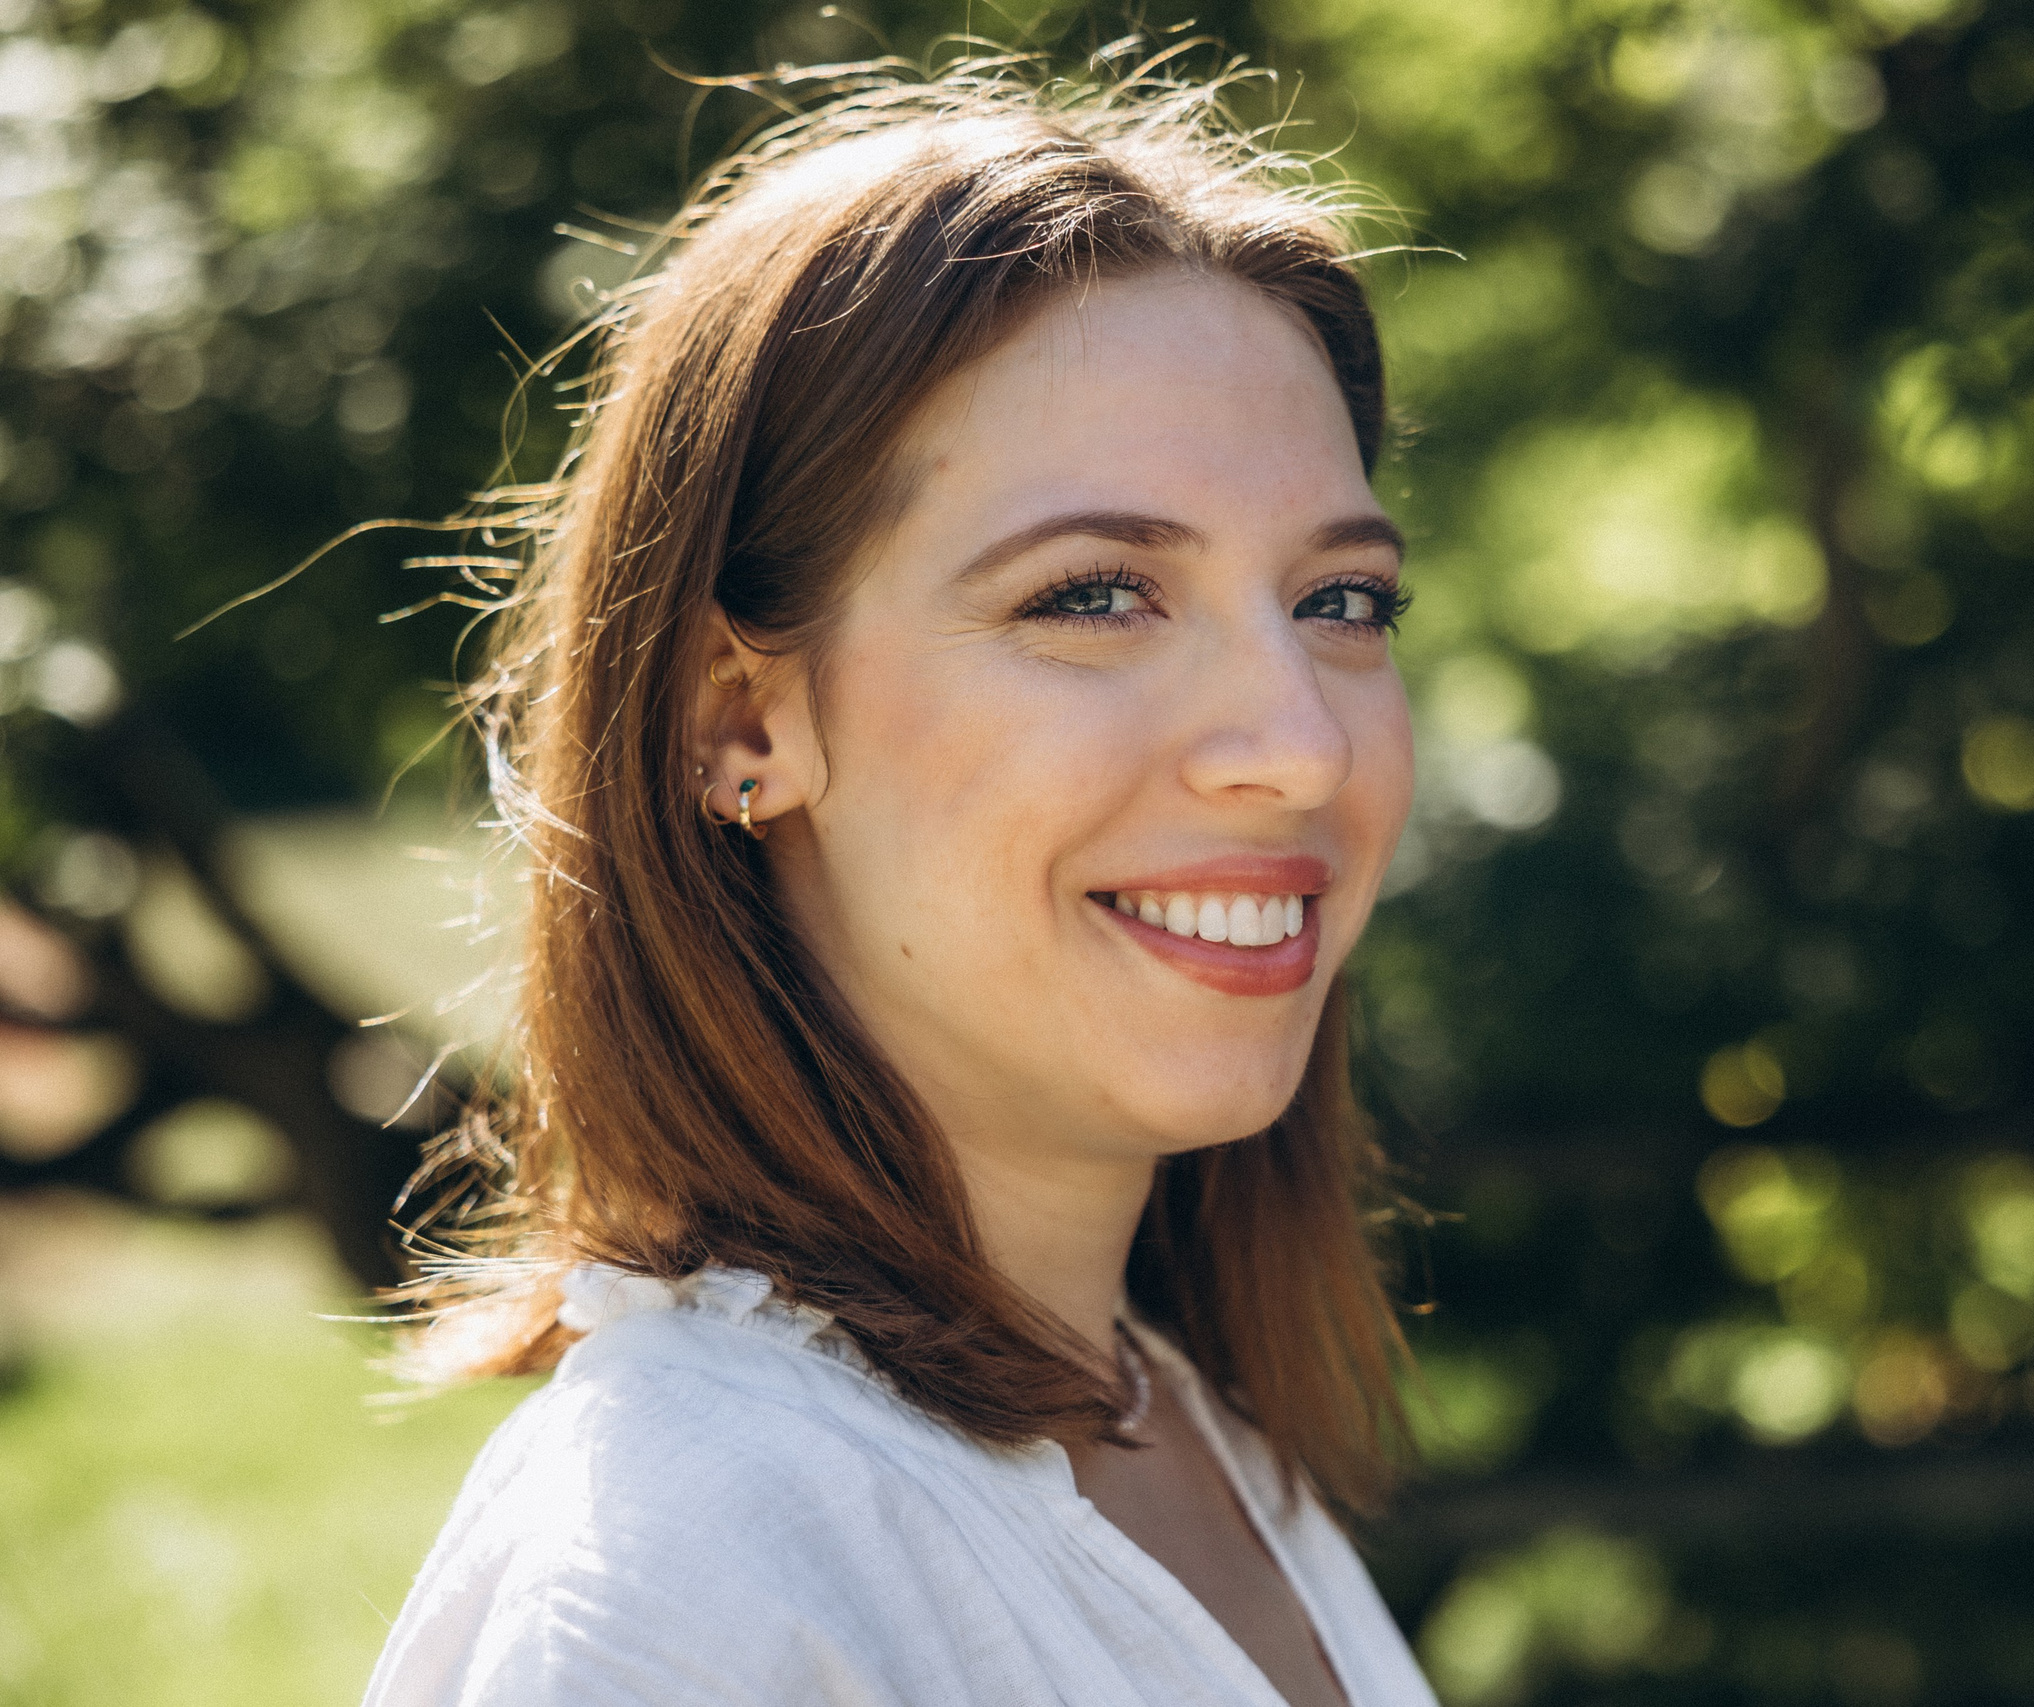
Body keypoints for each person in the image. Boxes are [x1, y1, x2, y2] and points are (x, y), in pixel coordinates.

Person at [361, 51, 1437, 1707]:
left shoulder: (1172, 1421)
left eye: (1340, 602)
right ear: (743, 720)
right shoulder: (692, 1578)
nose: (1297, 745)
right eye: (1094, 596)